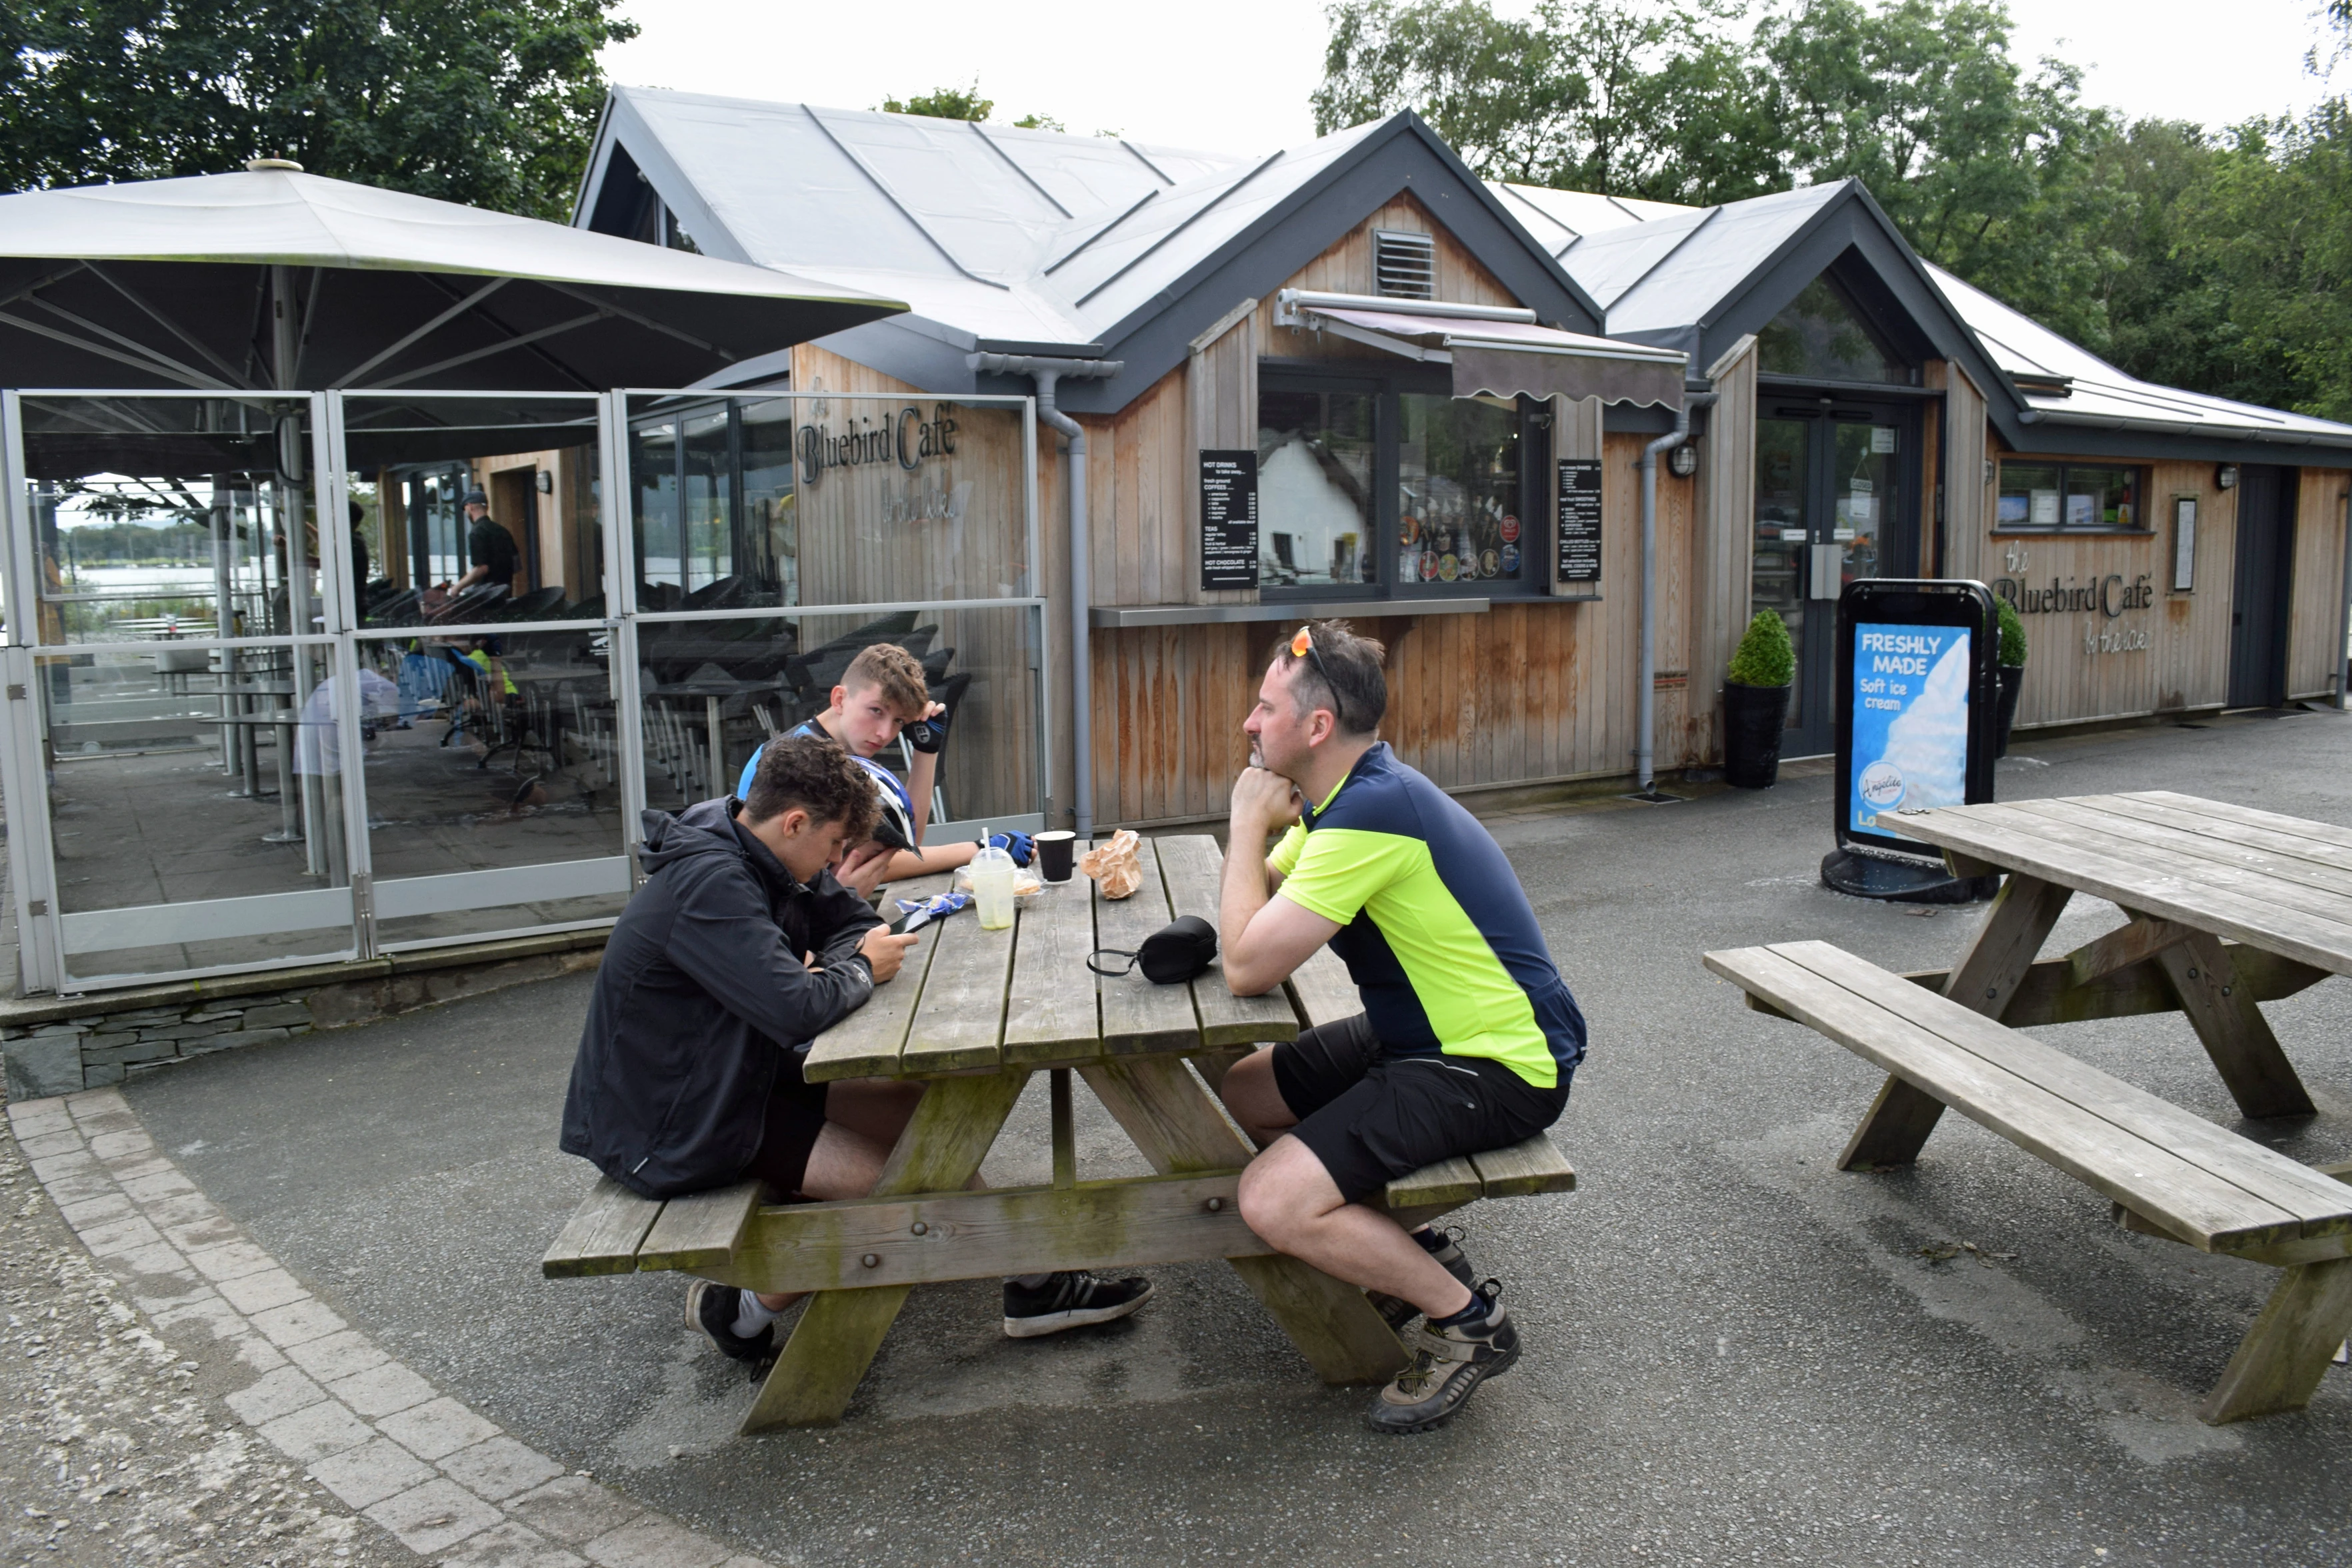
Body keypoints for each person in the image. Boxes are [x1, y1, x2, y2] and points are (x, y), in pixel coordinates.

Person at [560, 733, 1149, 1361]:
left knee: (921, 1121)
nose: (839, 861)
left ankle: (1035, 1283)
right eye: (835, 845)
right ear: (793, 822)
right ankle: (738, 1308)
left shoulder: (757, 849)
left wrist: (841, 965)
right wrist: (858, 971)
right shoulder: (710, 883)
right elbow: (800, 1006)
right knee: (910, 1189)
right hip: (675, 1123)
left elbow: (855, 925)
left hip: (736, 1076)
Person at [1213, 621, 1585, 1435]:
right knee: (1238, 1095)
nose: (1249, 722)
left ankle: (1466, 1323)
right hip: (1419, 1036)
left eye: (1264, 707)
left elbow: (1246, 964)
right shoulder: (1348, 799)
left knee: (1271, 1200)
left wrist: (1245, 823)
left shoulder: (1371, 813)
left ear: (1317, 728)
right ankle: (1406, 1249)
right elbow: (1261, 908)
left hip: (1495, 1061)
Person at [735, 641, 1031, 893]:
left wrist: (926, 750)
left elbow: (905, 839)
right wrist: (983, 851)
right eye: (876, 711)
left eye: (899, 721)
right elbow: (861, 865)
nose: (885, 733)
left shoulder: (833, 749)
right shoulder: (802, 762)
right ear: (839, 698)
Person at [448, 487, 519, 596]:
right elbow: (517, 565)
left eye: (465, 508)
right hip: (505, 593)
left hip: (487, 597)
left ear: (470, 507)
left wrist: (457, 587)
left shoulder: (476, 532)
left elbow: (482, 568)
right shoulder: (503, 530)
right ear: (487, 507)